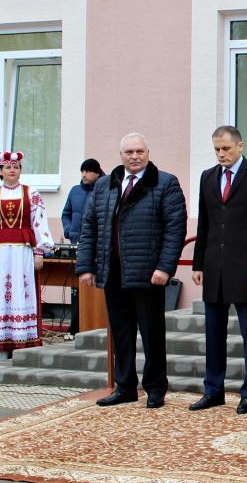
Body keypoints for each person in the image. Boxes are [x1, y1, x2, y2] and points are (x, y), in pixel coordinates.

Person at [76, 133, 187, 409]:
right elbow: (89, 226)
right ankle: (125, 386)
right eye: (129, 152)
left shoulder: (165, 183)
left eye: (139, 151)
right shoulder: (105, 185)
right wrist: (86, 266)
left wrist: (165, 267)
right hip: (113, 272)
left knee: (152, 333)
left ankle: (155, 387)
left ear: (148, 152)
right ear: (121, 154)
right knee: (121, 333)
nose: (134, 156)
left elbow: (175, 228)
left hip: (148, 273)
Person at [189, 126, 247, 414]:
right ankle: (213, 389)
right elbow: (205, 223)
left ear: (240, 146)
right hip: (214, 268)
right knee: (214, 333)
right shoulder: (208, 177)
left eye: (226, 148)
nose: (221, 154)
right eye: (216, 149)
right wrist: (198, 262)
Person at [0, 151, 55, 360]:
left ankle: (23, 344)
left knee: (21, 292)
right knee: (1, 294)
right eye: (8, 167)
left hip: (22, 252)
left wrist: (39, 251)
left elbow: (39, 223)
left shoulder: (32, 194)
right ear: (0, 171)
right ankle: (3, 346)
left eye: (16, 167)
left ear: (20, 170)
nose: (12, 170)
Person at [61, 158, 104, 244]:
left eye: (88, 171)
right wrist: (69, 231)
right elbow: (66, 214)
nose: (84, 175)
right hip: (75, 242)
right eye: (82, 171)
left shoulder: (105, 191)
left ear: (97, 173)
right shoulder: (74, 190)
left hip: (96, 245)